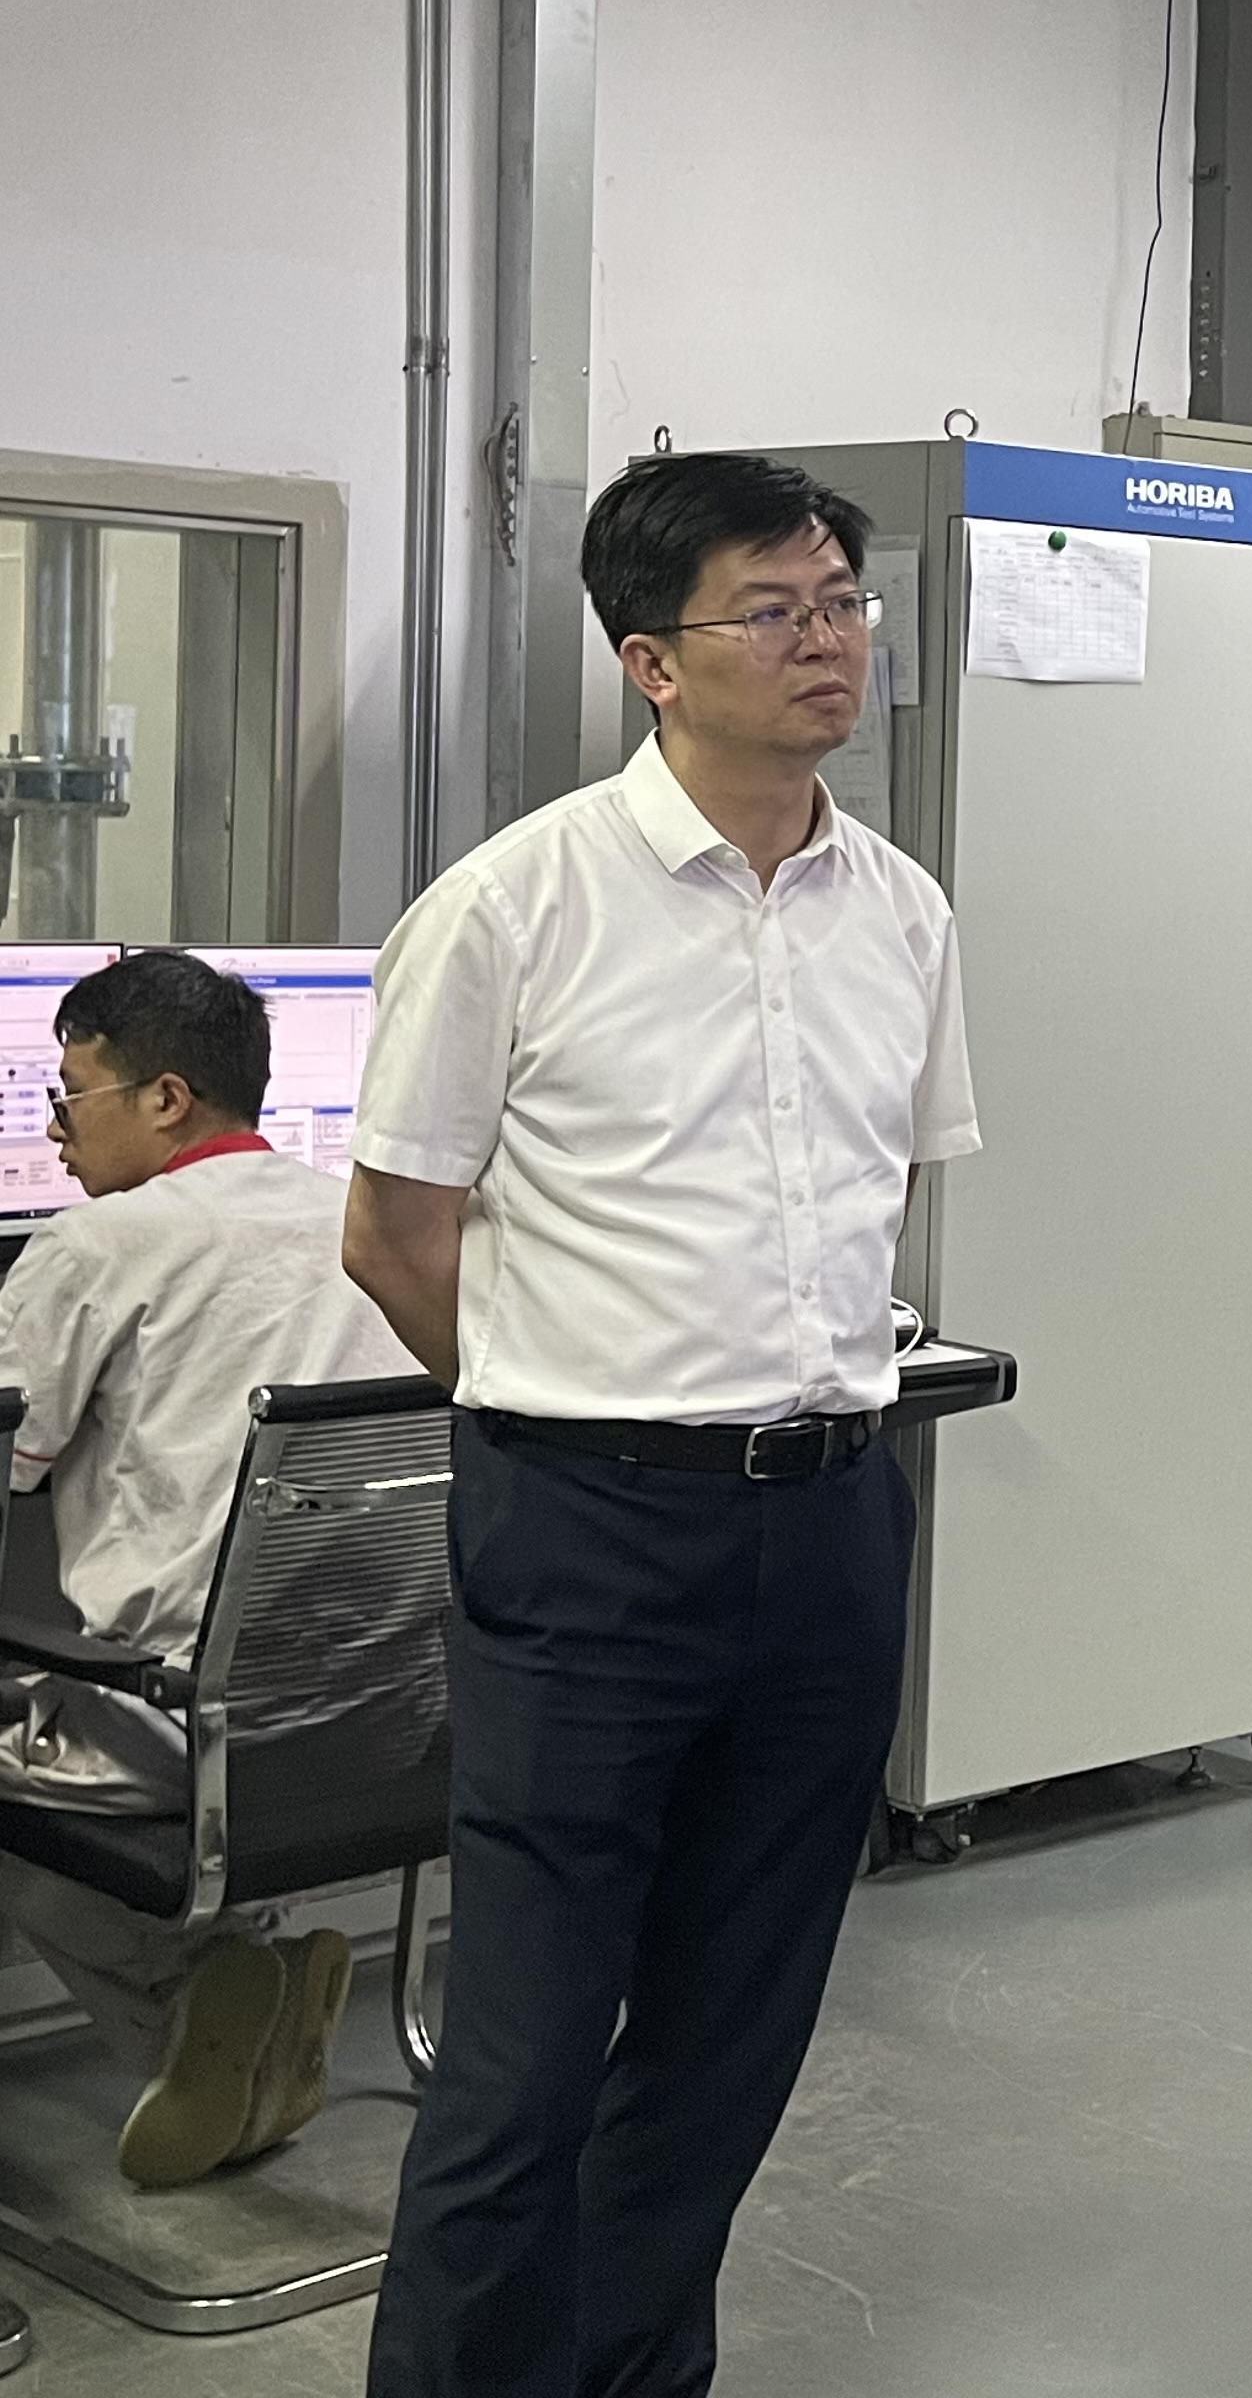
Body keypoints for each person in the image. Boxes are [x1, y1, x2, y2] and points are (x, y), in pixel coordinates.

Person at [345, 451, 977, 2398]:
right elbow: (393, 1235)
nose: (828, 641)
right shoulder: (513, 905)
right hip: (588, 1526)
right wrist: (566, 1398)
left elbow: (883, 1198)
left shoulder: (902, 912)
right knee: (524, 2062)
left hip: (836, 1515)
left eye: (844, 601)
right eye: (773, 610)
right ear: (653, 661)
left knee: (730, 2038)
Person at [0, 950, 395, 2186]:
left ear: (165, 1098)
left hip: (185, 1725)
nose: (53, 1131)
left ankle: (190, 1998)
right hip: (389, 1720)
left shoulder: (95, 1247)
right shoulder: (366, 1224)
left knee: (29, 1768)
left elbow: (14, 1454)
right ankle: (253, 2000)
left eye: (69, 1096)